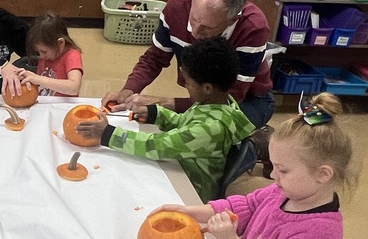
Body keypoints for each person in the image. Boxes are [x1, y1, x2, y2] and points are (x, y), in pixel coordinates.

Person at [156, 92, 355, 239]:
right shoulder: (285, 192)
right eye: (273, 167)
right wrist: (193, 212)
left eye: (283, 170)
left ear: (323, 174)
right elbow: (247, 206)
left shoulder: (319, 233)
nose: (273, 177)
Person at [75, 37, 256, 202]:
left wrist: (108, 134)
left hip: (189, 190)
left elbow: (156, 146)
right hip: (179, 164)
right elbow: (185, 123)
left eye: (187, 82)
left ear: (207, 88)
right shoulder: (218, 104)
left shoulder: (211, 128)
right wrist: (156, 114)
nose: (185, 86)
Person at [101, 0, 275, 129]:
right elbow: (154, 59)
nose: (195, 32)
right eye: (193, 19)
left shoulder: (253, 27)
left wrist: (166, 103)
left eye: (207, 28)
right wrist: (128, 90)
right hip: (203, 98)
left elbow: (231, 98)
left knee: (213, 137)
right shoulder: (176, 6)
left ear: (232, 20)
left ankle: (257, 142)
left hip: (249, 100)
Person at [18, 12, 83, 97]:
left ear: (60, 43)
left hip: (63, 107)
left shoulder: (72, 56)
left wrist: (38, 79)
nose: (41, 56)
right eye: (38, 52)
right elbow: (40, 85)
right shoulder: (47, 57)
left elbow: (74, 88)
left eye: (44, 52)